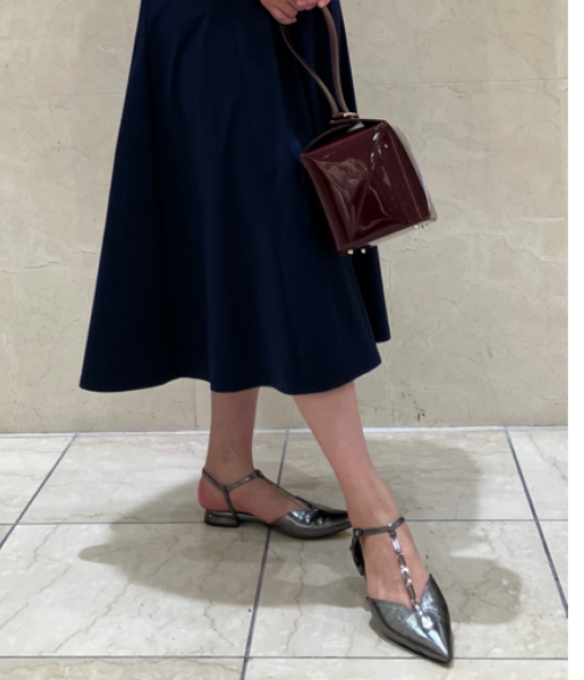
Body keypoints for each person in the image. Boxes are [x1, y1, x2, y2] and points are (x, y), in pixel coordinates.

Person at [80, 0, 452, 663]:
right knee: (283, 244)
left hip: (292, 20)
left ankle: (227, 470)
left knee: (248, 230)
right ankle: (376, 518)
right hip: (210, 20)